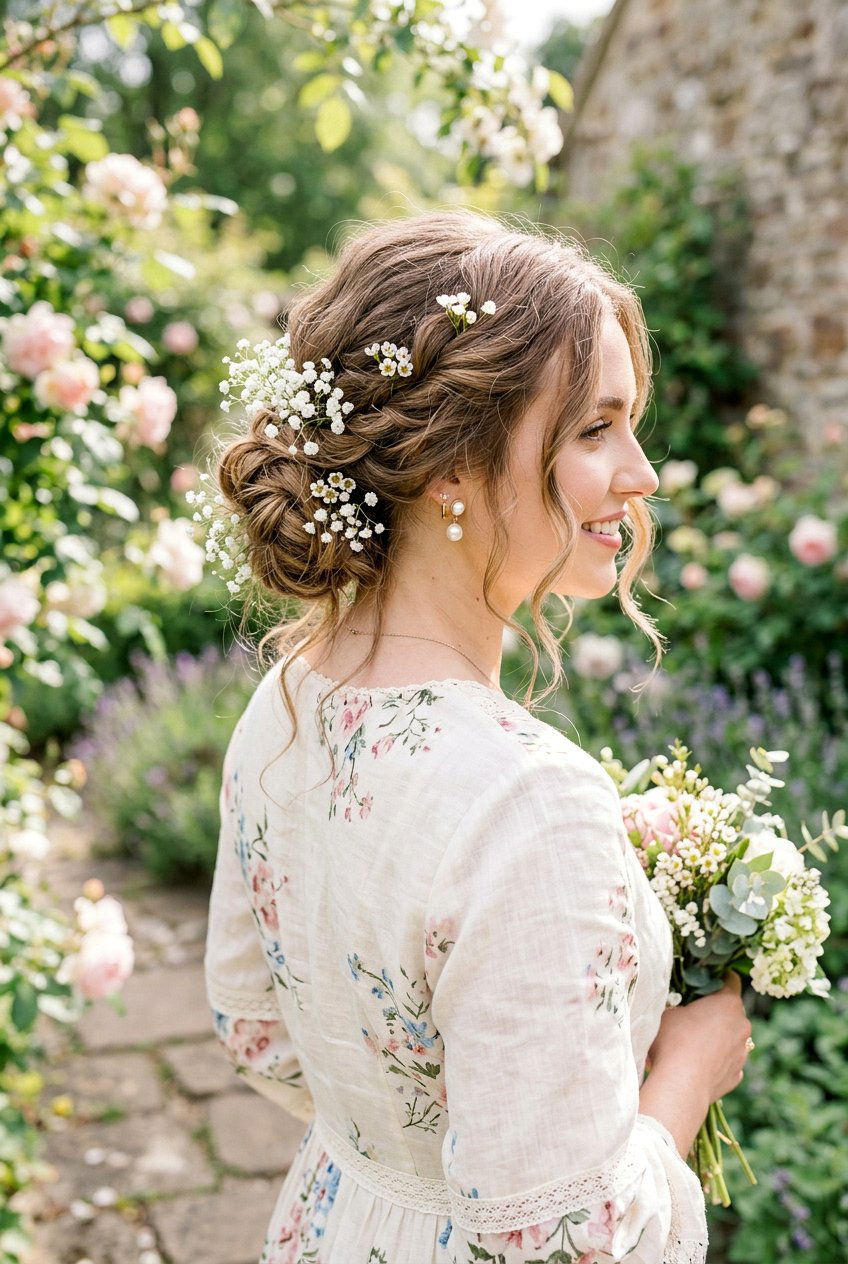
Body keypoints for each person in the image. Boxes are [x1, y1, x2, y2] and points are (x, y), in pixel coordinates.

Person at [202, 208, 752, 1263]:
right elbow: (562, 1243)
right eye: (593, 430)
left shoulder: (284, 703)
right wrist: (686, 1074)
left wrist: (396, 1150)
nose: (639, 474)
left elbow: (253, 1025)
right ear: (450, 465)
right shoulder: (527, 801)